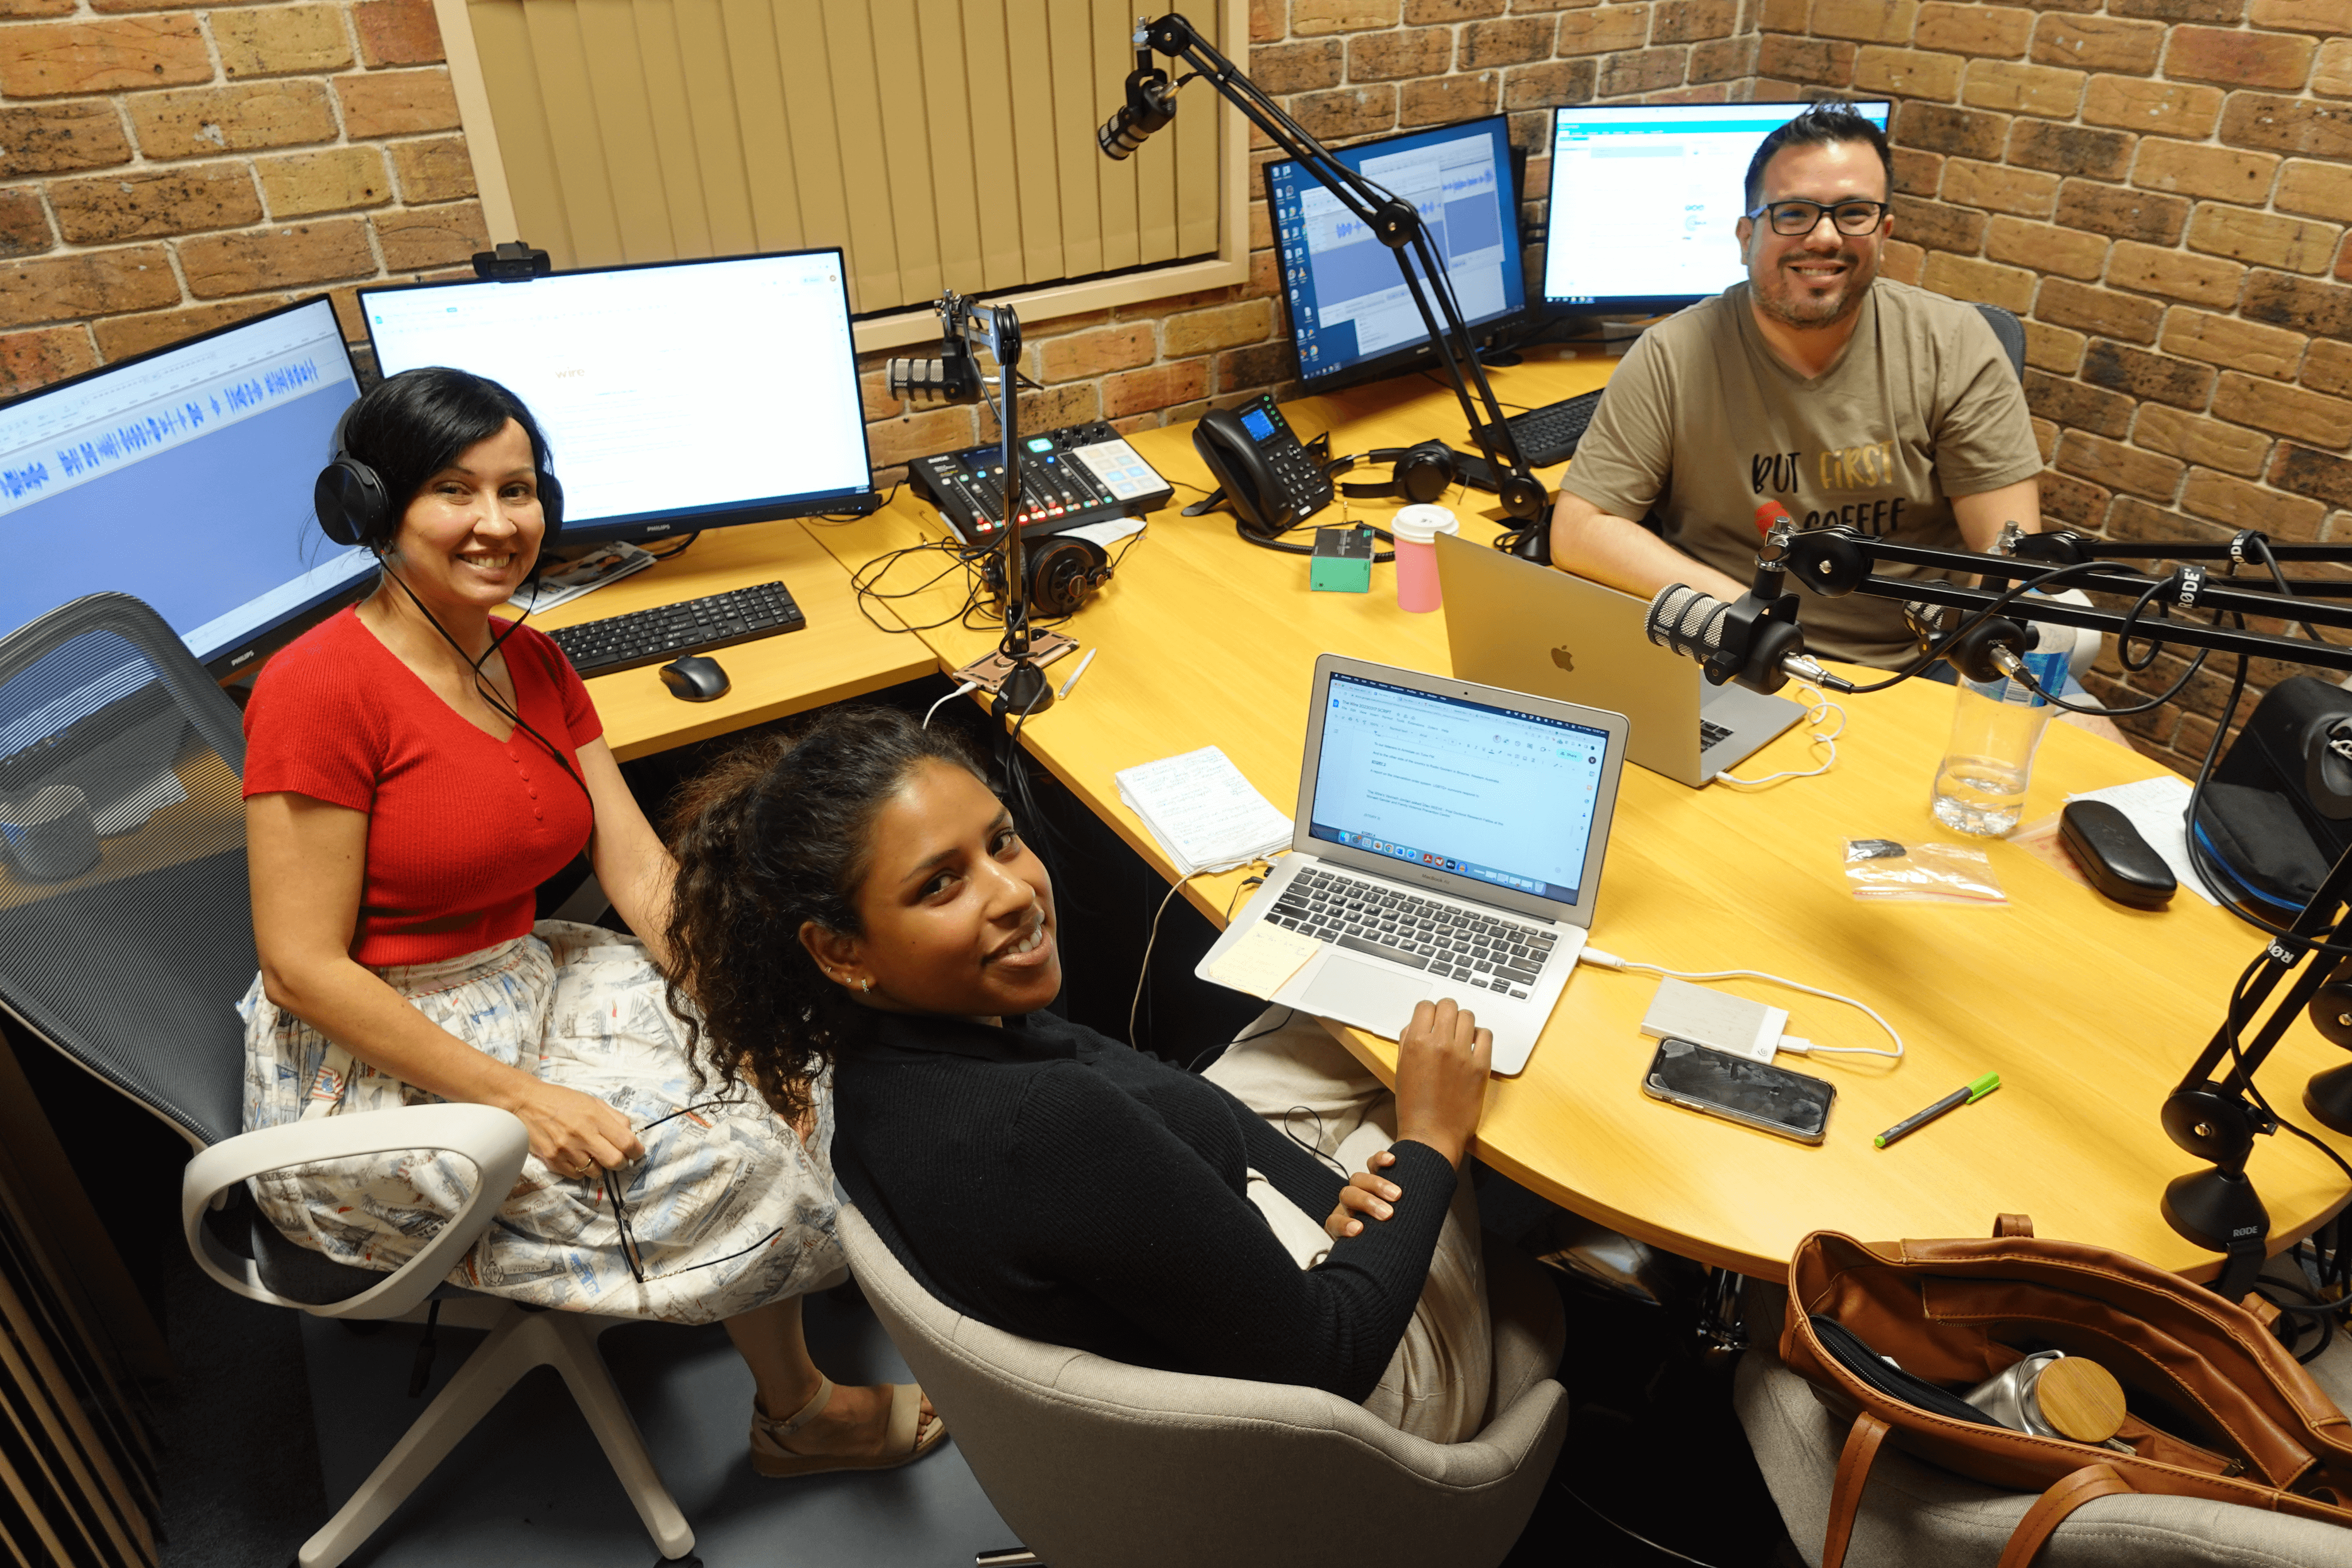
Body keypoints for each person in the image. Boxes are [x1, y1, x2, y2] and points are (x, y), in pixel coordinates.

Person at [238, 367, 942, 1476]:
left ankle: (785, 1298)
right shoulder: (315, 688)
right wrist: (525, 1100)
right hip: (380, 1047)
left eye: (518, 491)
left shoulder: (530, 655)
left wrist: (740, 1009)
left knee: (795, 1048)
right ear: (374, 508)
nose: (497, 522)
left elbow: (638, 866)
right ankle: (798, 1413)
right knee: (728, 1148)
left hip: (519, 970)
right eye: (454, 491)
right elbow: (300, 968)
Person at [663, 707, 1517, 1443]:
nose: (1014, 893)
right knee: (1458, 1088)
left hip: (1227, 1275)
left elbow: (1149, 1095)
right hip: (1367, 1403)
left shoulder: (895, 1050)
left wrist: (1319, 1191)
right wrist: (1430, 1139)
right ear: (841, 950)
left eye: (1001, 841)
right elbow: (1334, 1354)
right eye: (941, 884)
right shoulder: (1048, 1126)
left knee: (1350, 1027)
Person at [1550, 102, 2046, 673]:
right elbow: (1579, 530)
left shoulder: (1954, 343)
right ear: (1746, 237)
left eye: (1854, 213)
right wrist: (1750, 617)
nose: (1825, 237)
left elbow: (2008, 561)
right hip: (1740, 656)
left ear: (1883, 233)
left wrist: (1980, 661)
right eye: (1793, 214)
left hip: (1917, 665)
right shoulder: (1673, 354)